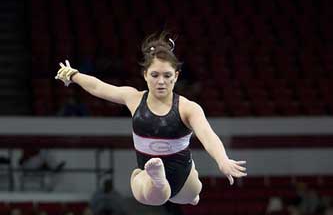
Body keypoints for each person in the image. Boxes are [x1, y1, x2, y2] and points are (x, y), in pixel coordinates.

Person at [55, 32, 247, 206]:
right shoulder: (134, 98)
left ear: (176, 76)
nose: (161, 81)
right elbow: (99, 87)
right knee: (153, 193)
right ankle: (158, 180)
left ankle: (176, 189)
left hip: (183, 177)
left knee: (191, 195)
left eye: (167, 75)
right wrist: (74, 75)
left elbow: (207, 135)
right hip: (147, 176)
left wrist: (222, 160)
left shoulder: (188, 108)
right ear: (145, 75)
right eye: (154, 75)